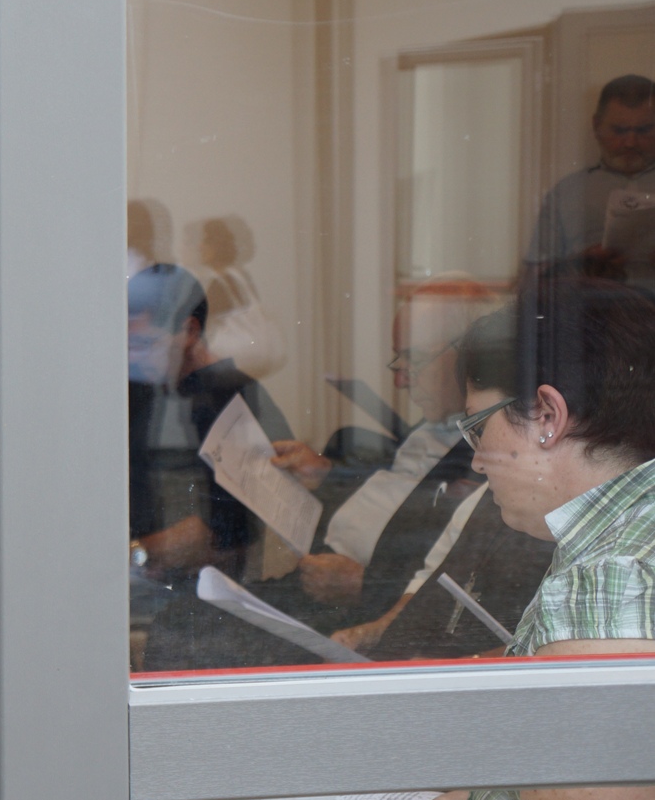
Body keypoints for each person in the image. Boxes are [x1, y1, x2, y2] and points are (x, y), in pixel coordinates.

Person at [213, 277, 655, 800]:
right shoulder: (627, 536)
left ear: (548, 417)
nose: (476, 459)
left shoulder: (606, 583)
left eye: (478, 429)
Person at [140, 278, 493, 672]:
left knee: (184, 633)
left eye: (413, 359)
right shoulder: (431, 429)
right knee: (184, 617)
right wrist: (327, 475)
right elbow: (394, 498)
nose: (400, 379)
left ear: (466, 355)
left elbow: (456, 573)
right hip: (316, 587)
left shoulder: (481, 456)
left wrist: (365, 583)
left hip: (356, 611)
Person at [128, 263, 292, 584]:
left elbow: (229, 538)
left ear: (190, 332)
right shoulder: (147, 386)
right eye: (127, 345)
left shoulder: (225, 399)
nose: (132, 359)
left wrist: (137, 553)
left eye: (144, 344)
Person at [525, 74, 655, 283]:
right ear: (597, 126)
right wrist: (577, 265)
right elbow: (532, 280)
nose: (630, 142)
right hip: (588, 301)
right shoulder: (567, 192)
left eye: (644, 130)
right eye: (619, 130)